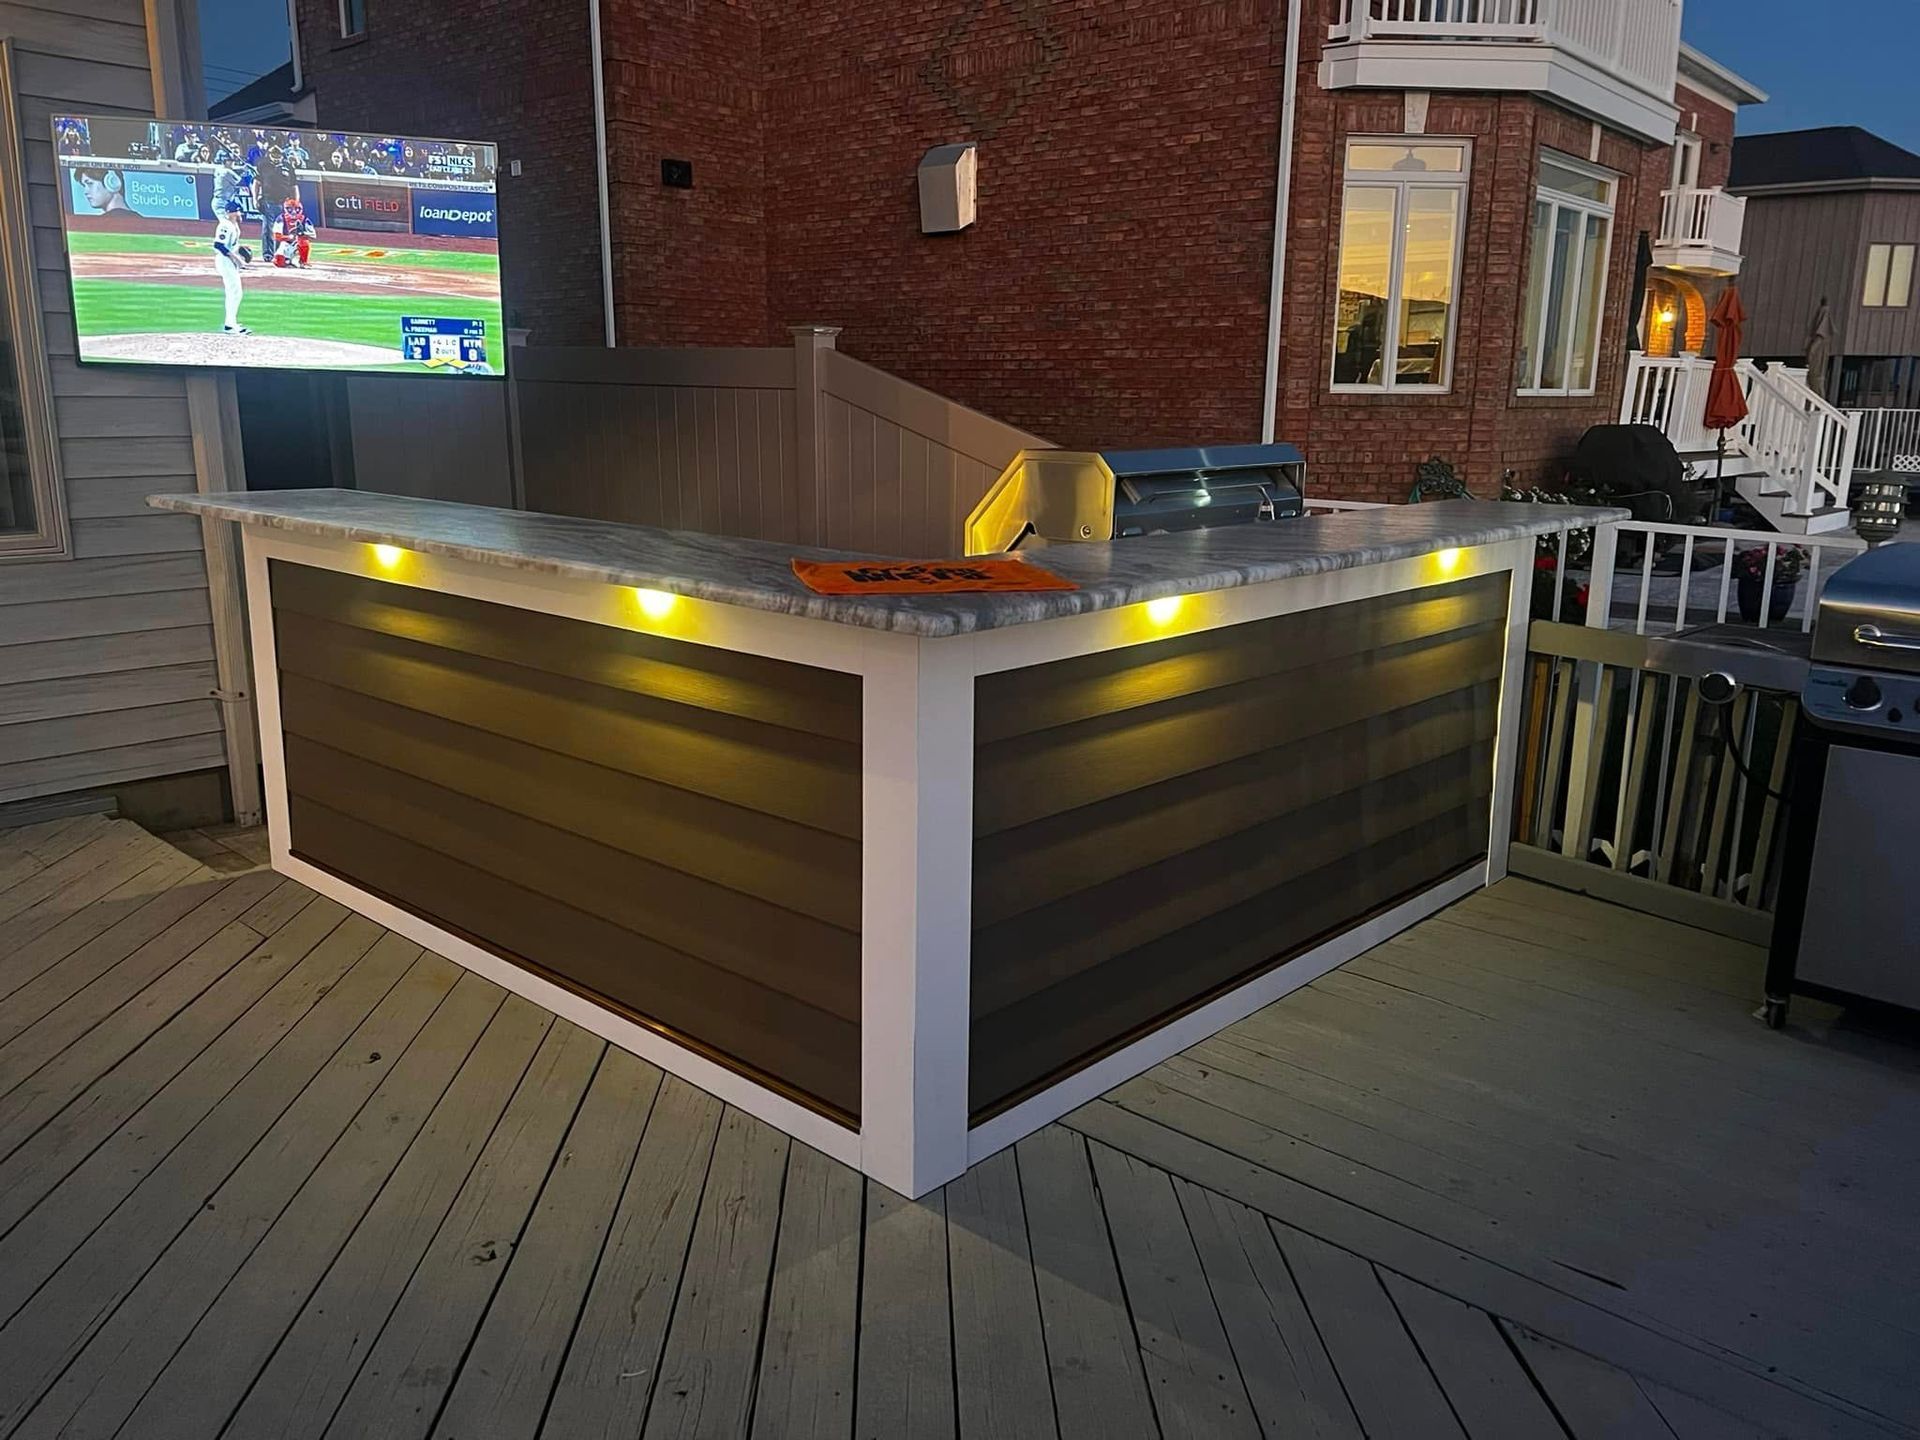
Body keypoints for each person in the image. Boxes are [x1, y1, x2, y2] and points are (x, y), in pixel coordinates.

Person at [212, 198, 252, 334]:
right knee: (234, 292)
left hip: (229, 261)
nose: (240, 214)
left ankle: (231, 323)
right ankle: (230, 325)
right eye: (238, 212)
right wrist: (237, 259)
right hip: (224, 261)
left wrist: (240, 251)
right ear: (231, 213)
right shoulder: (225, 226)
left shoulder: (234, 226)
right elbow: (218, 245)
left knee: (235, 292)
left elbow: (232, 245)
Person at [272, 197, 313, 267]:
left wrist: (302, 234)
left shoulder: (305, 219)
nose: (294, 212)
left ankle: (303, 261)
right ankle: (287, 259)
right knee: (278, 261)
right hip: (285, 244)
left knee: (304, 242)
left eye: (296, 209)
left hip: (298, 244)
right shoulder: (281, 218)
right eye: (290, 209)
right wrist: (289, 237)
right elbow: (276, 236)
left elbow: (313, 235)